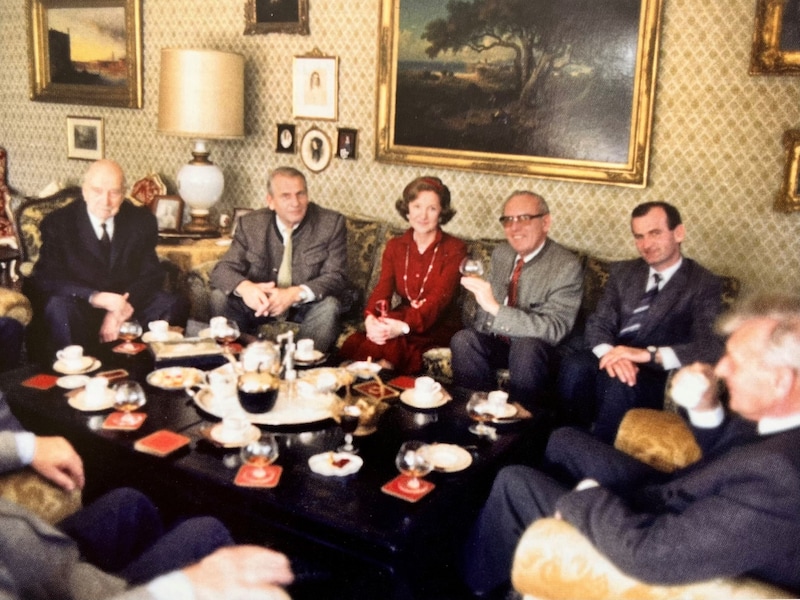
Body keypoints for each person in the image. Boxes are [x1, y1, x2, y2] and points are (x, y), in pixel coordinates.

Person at [463, 293, 800, 598]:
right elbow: (729, 455)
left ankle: (478, 585)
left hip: (657, 531)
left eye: (736, 361)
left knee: (515, 482)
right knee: (563, 439)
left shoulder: (781, 477)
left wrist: (584, 498)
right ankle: (519, 553)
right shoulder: (782, 423)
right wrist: (704, 406)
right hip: (676, 495)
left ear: (781, 381)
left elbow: (654, 556)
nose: (721, 369)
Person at [0, 392, 293, 599]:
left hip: (31, 554)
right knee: (206, 531)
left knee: (130, 502)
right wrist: (184, 588)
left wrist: (26, 447)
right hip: (58, 584)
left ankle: (134, 575)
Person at [557, 201, 724, 442]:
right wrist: (612, 355)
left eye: (655, 234)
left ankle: (599, 461)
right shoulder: (623, 272)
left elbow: (710, 346)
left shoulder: (703, 284)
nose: (646, 245)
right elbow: (599, 322)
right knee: (575, 365)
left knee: (621, 383)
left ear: (679, 233)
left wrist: (648, 354)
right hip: (612, 358)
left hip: (653, 372)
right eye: (639, 236)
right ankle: (564, 445)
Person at [25, 159, 189, 361]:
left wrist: (118, 311)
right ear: (85, 191)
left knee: (173, 304)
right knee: (60, 308)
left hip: (126, 303)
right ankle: (74, 376)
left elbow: (151, 274)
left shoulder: (141, 220)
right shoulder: (59, 223)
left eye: (114, 192)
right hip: (81, 305)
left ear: (124, 193)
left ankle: (148, 370)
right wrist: (96, 297)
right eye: (97, 191)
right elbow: (47, 278)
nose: (106, 201)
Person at [449, 191, 582, 408]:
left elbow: (554, 329)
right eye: (508, 220)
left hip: (540, 353)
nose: (514, 227)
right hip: (502, 344)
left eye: (524, 219)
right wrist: (486, 315)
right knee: (464, 340)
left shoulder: (566, 266)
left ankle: (519, 430)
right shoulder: (502, 253)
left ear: (545, 222)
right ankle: (475, 415)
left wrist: (494, 308)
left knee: (526, 348)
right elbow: (485, 313)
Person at [210, 166, 350, 353]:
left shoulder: (330, 224)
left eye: (301, 194)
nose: (295, 202)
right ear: (271, 201)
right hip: (260, 307)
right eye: (286, 196)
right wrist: (246, 288)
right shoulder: (251, 224)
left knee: (329, 307)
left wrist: (294, 294)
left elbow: (336, 276)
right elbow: (222, 270)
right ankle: (239, 358)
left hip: (304, 308)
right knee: (220, 297)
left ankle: (303, 365)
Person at [339, 176, 466, 374]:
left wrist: (403, 327)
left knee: (392, 344)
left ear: (442, 212)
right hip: (403, 315)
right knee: (373, 336)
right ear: (407, 209)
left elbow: (438, 301)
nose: (423, 215)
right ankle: (360, 384)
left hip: (439, 323)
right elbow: (383, 287)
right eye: (416, 206)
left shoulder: (455, 249)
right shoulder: (395, 246)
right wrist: (371, 317)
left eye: (431, 208)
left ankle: (380, 385)